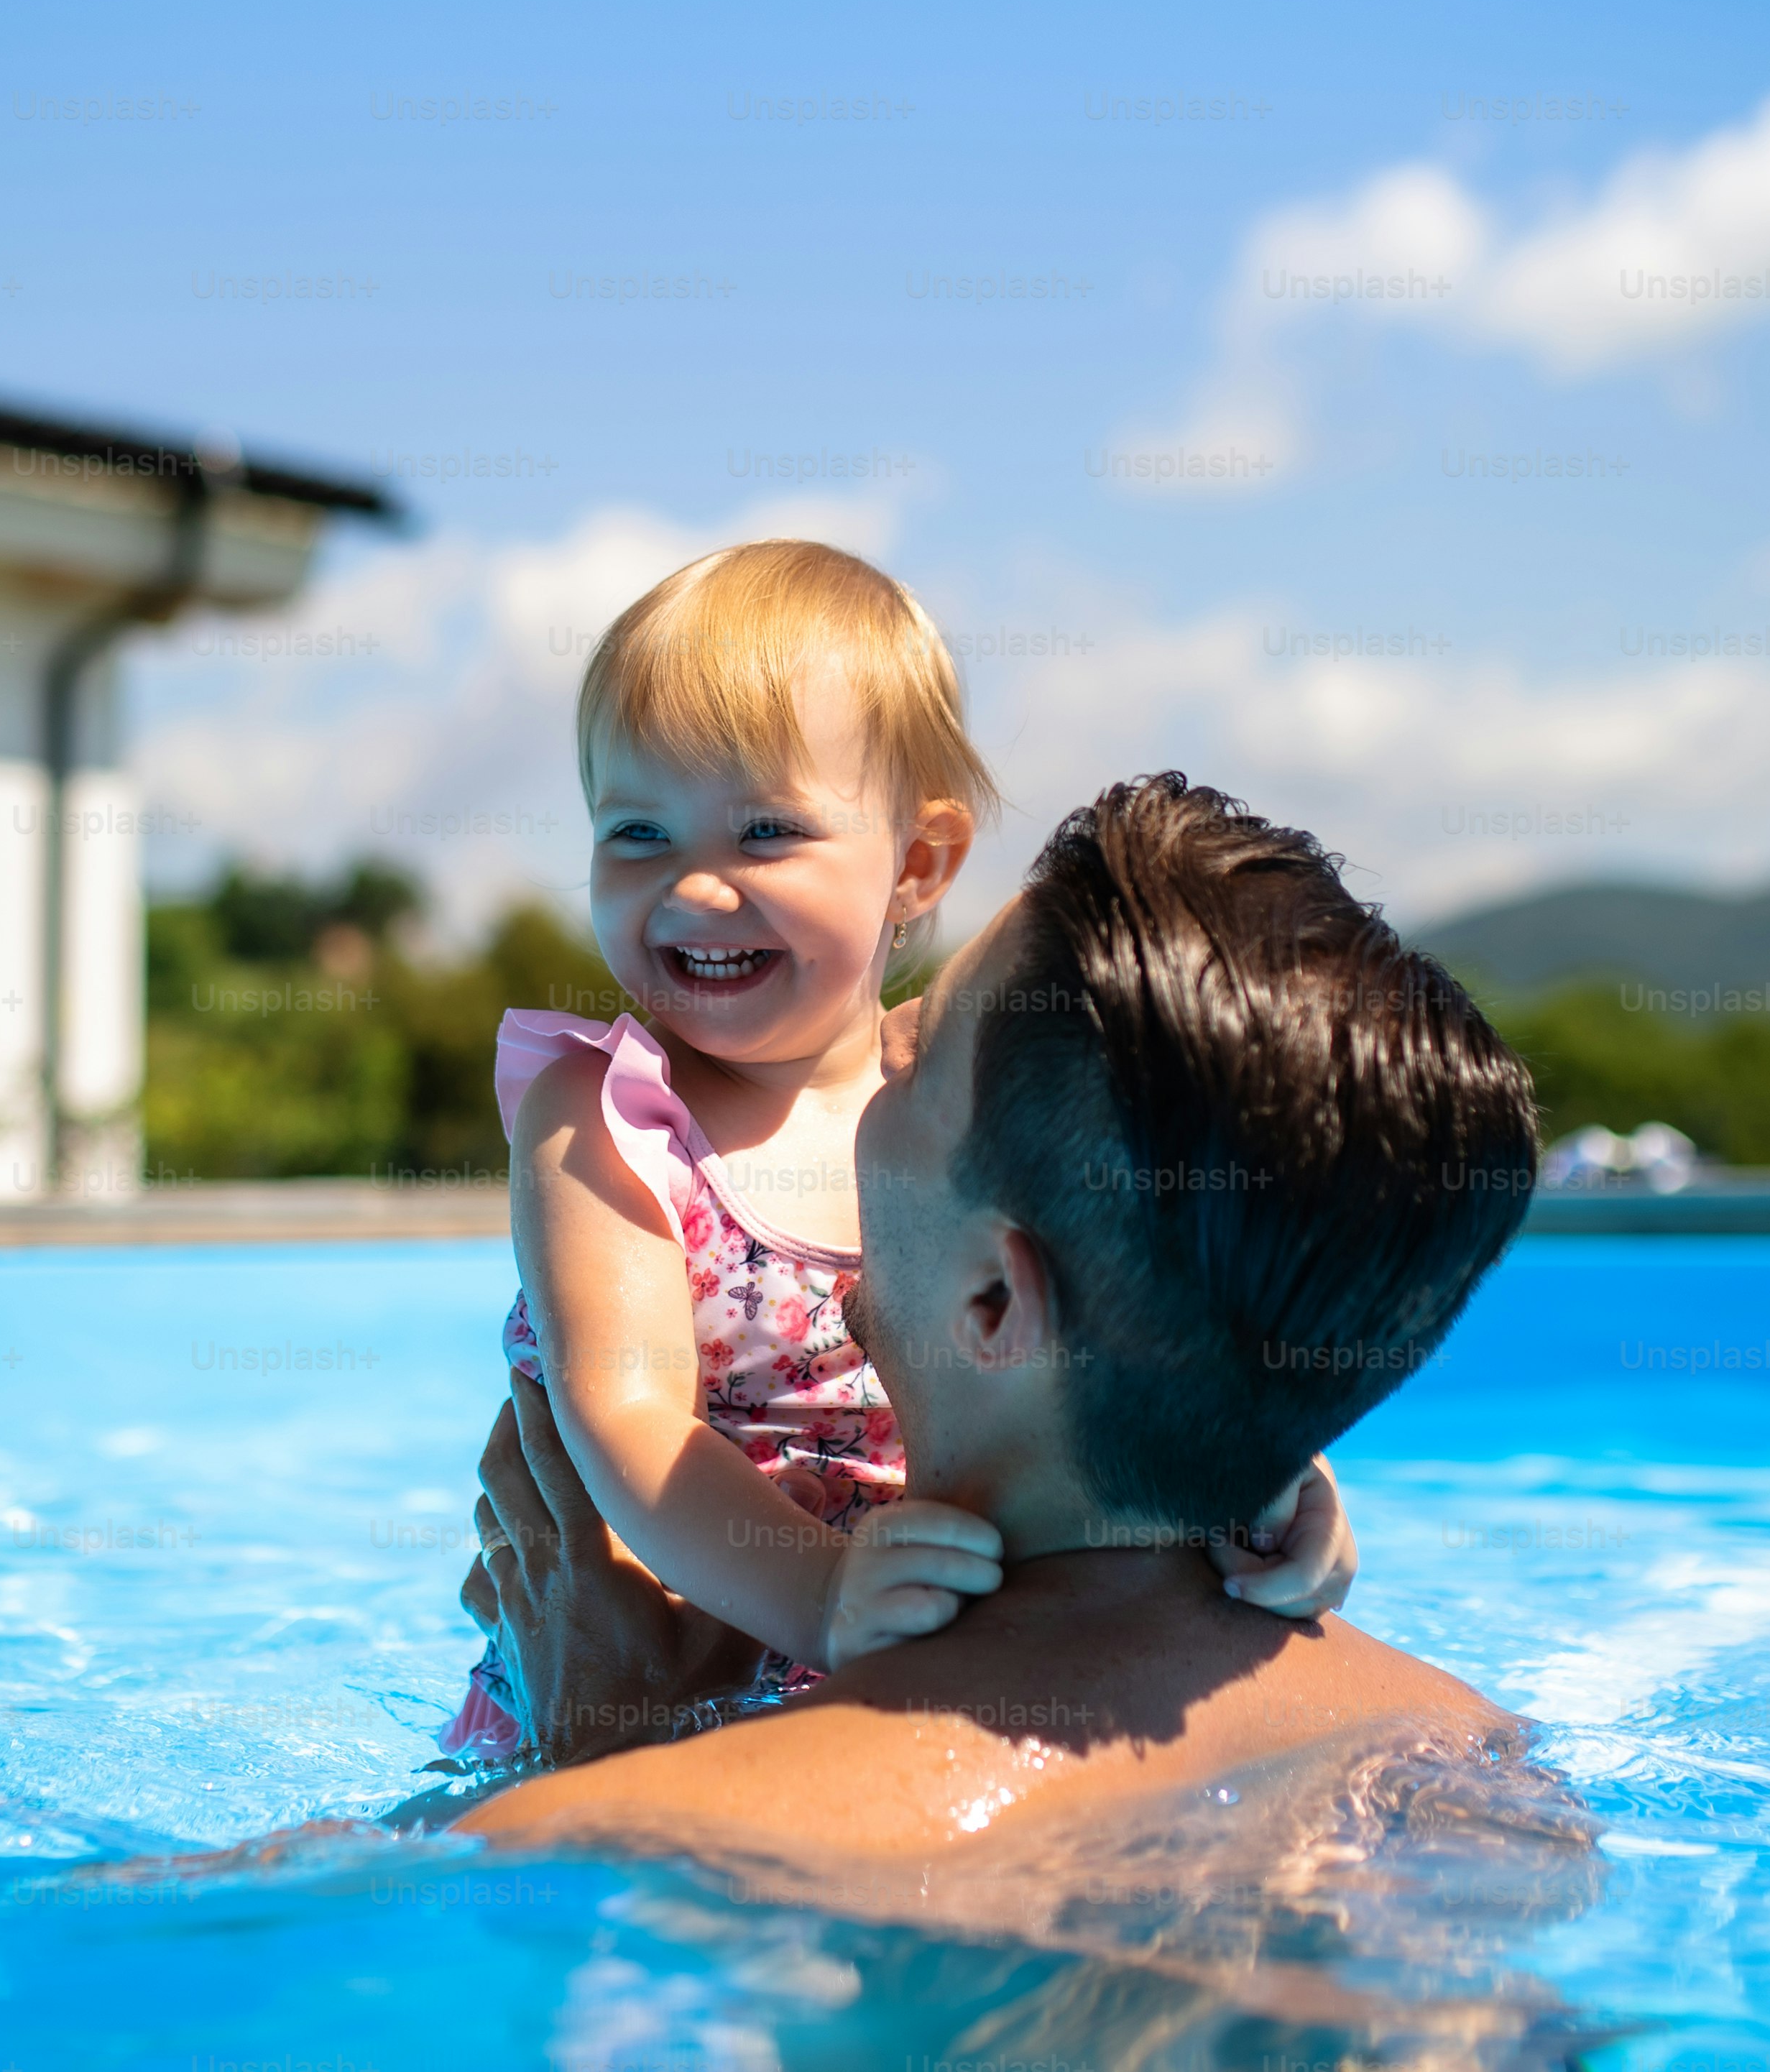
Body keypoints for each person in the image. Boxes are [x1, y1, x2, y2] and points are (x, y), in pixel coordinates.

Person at [450, 773, 1539, 1865]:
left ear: (994, 1302)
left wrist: (601, 1758)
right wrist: (1245, 1454)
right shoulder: (1487, 1782)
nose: (875, 1056)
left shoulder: (614, 1836)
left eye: (917, 1069)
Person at [438, 548, 1357, 1764]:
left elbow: (1130, 1317)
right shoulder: (603, 1112)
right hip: (660, 1676)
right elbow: (629, 1415)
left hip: (917, 1651)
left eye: (766, 831)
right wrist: (821, 1597)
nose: (694, 888)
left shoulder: (963, 1091)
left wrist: (1270, 1479)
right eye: (638, 831)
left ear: (917, 865)